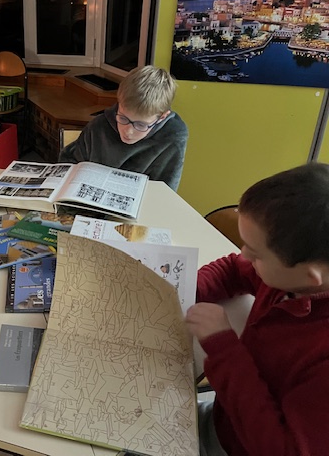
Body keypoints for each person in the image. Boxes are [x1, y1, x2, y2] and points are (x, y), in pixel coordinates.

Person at [186, 163, 329, 456]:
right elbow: (233, 269)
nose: (243, 255)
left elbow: (280, 449)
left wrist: (223, 347)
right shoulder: (290, 274)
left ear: (310, 276)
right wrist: (183, 289)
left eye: (256, 253)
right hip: (221, 419)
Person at [59, 65, 188, 191]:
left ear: (162, 117)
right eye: (123, 118)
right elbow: (70, 161)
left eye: (140, 125)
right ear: (119, 104)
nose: (128, 131)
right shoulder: (98, 126)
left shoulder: (173, 137)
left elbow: (165, 190)